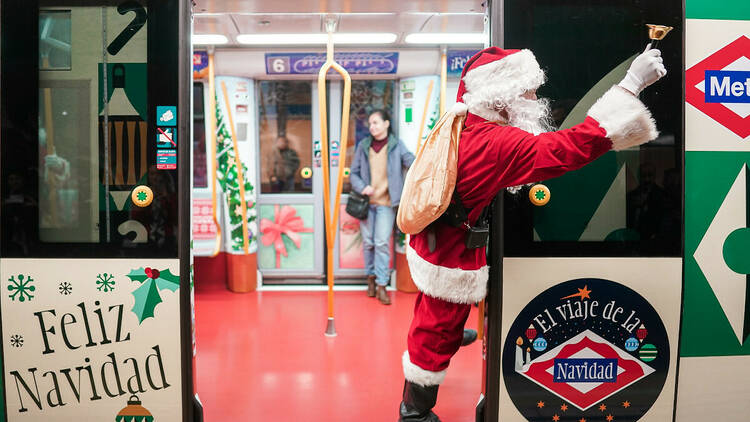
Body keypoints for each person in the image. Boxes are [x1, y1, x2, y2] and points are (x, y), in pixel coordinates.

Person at [398, 44, 667, 421]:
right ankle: (414, 409)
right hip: (452, 252)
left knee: (435, 312)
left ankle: (449, 336)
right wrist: (630, 84)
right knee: (437, 325)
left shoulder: (466, 116)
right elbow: (569, 148)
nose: (535, 98)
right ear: (502, 95)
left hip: (438, 239)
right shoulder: (497, 144)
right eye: (527, 90)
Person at [350, 109, 415, 305]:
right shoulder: (363, 146)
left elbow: (412, 162)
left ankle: (381, 285)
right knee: (369, 243)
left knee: (381, 243)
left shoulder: (396, 145)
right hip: (366, 204)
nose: (372, 127)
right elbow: (353, 173)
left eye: (376, 122)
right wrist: (363, 187)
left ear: (386, 124)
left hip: (387, 204)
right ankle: (370, 279)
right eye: (370, 124)